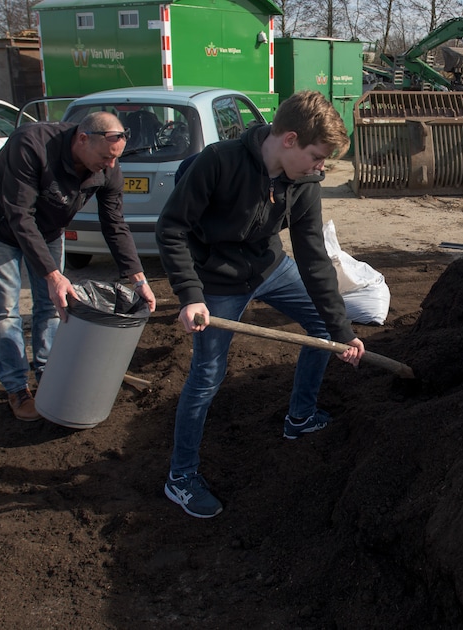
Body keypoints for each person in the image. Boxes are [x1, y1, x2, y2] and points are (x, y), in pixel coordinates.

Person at [155, 91, 365, 519]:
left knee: (323, 331)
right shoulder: (219, 162)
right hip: (216, 281)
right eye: (317, 157)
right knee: (207, 376)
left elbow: (312, 254)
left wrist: (342, 330)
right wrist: (191, 295)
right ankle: (180, 477)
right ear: (289, 140)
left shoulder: (303, 182)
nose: (320, 168)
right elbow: (172, 229)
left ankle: (300, 417)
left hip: (269, 268)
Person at [0, 111, 157, 422]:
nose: (111, 166)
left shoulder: (108, 167)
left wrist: (139, 278)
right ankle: (17, 387)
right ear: (82, 139)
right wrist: (52, 274)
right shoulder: (31, 144)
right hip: (0, 227)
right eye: (105, 157)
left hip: (47, 230)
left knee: (52, 306)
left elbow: (114, 224)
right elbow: (20, 214)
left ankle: (48, 372)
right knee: (6, 311)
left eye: (116, 159)